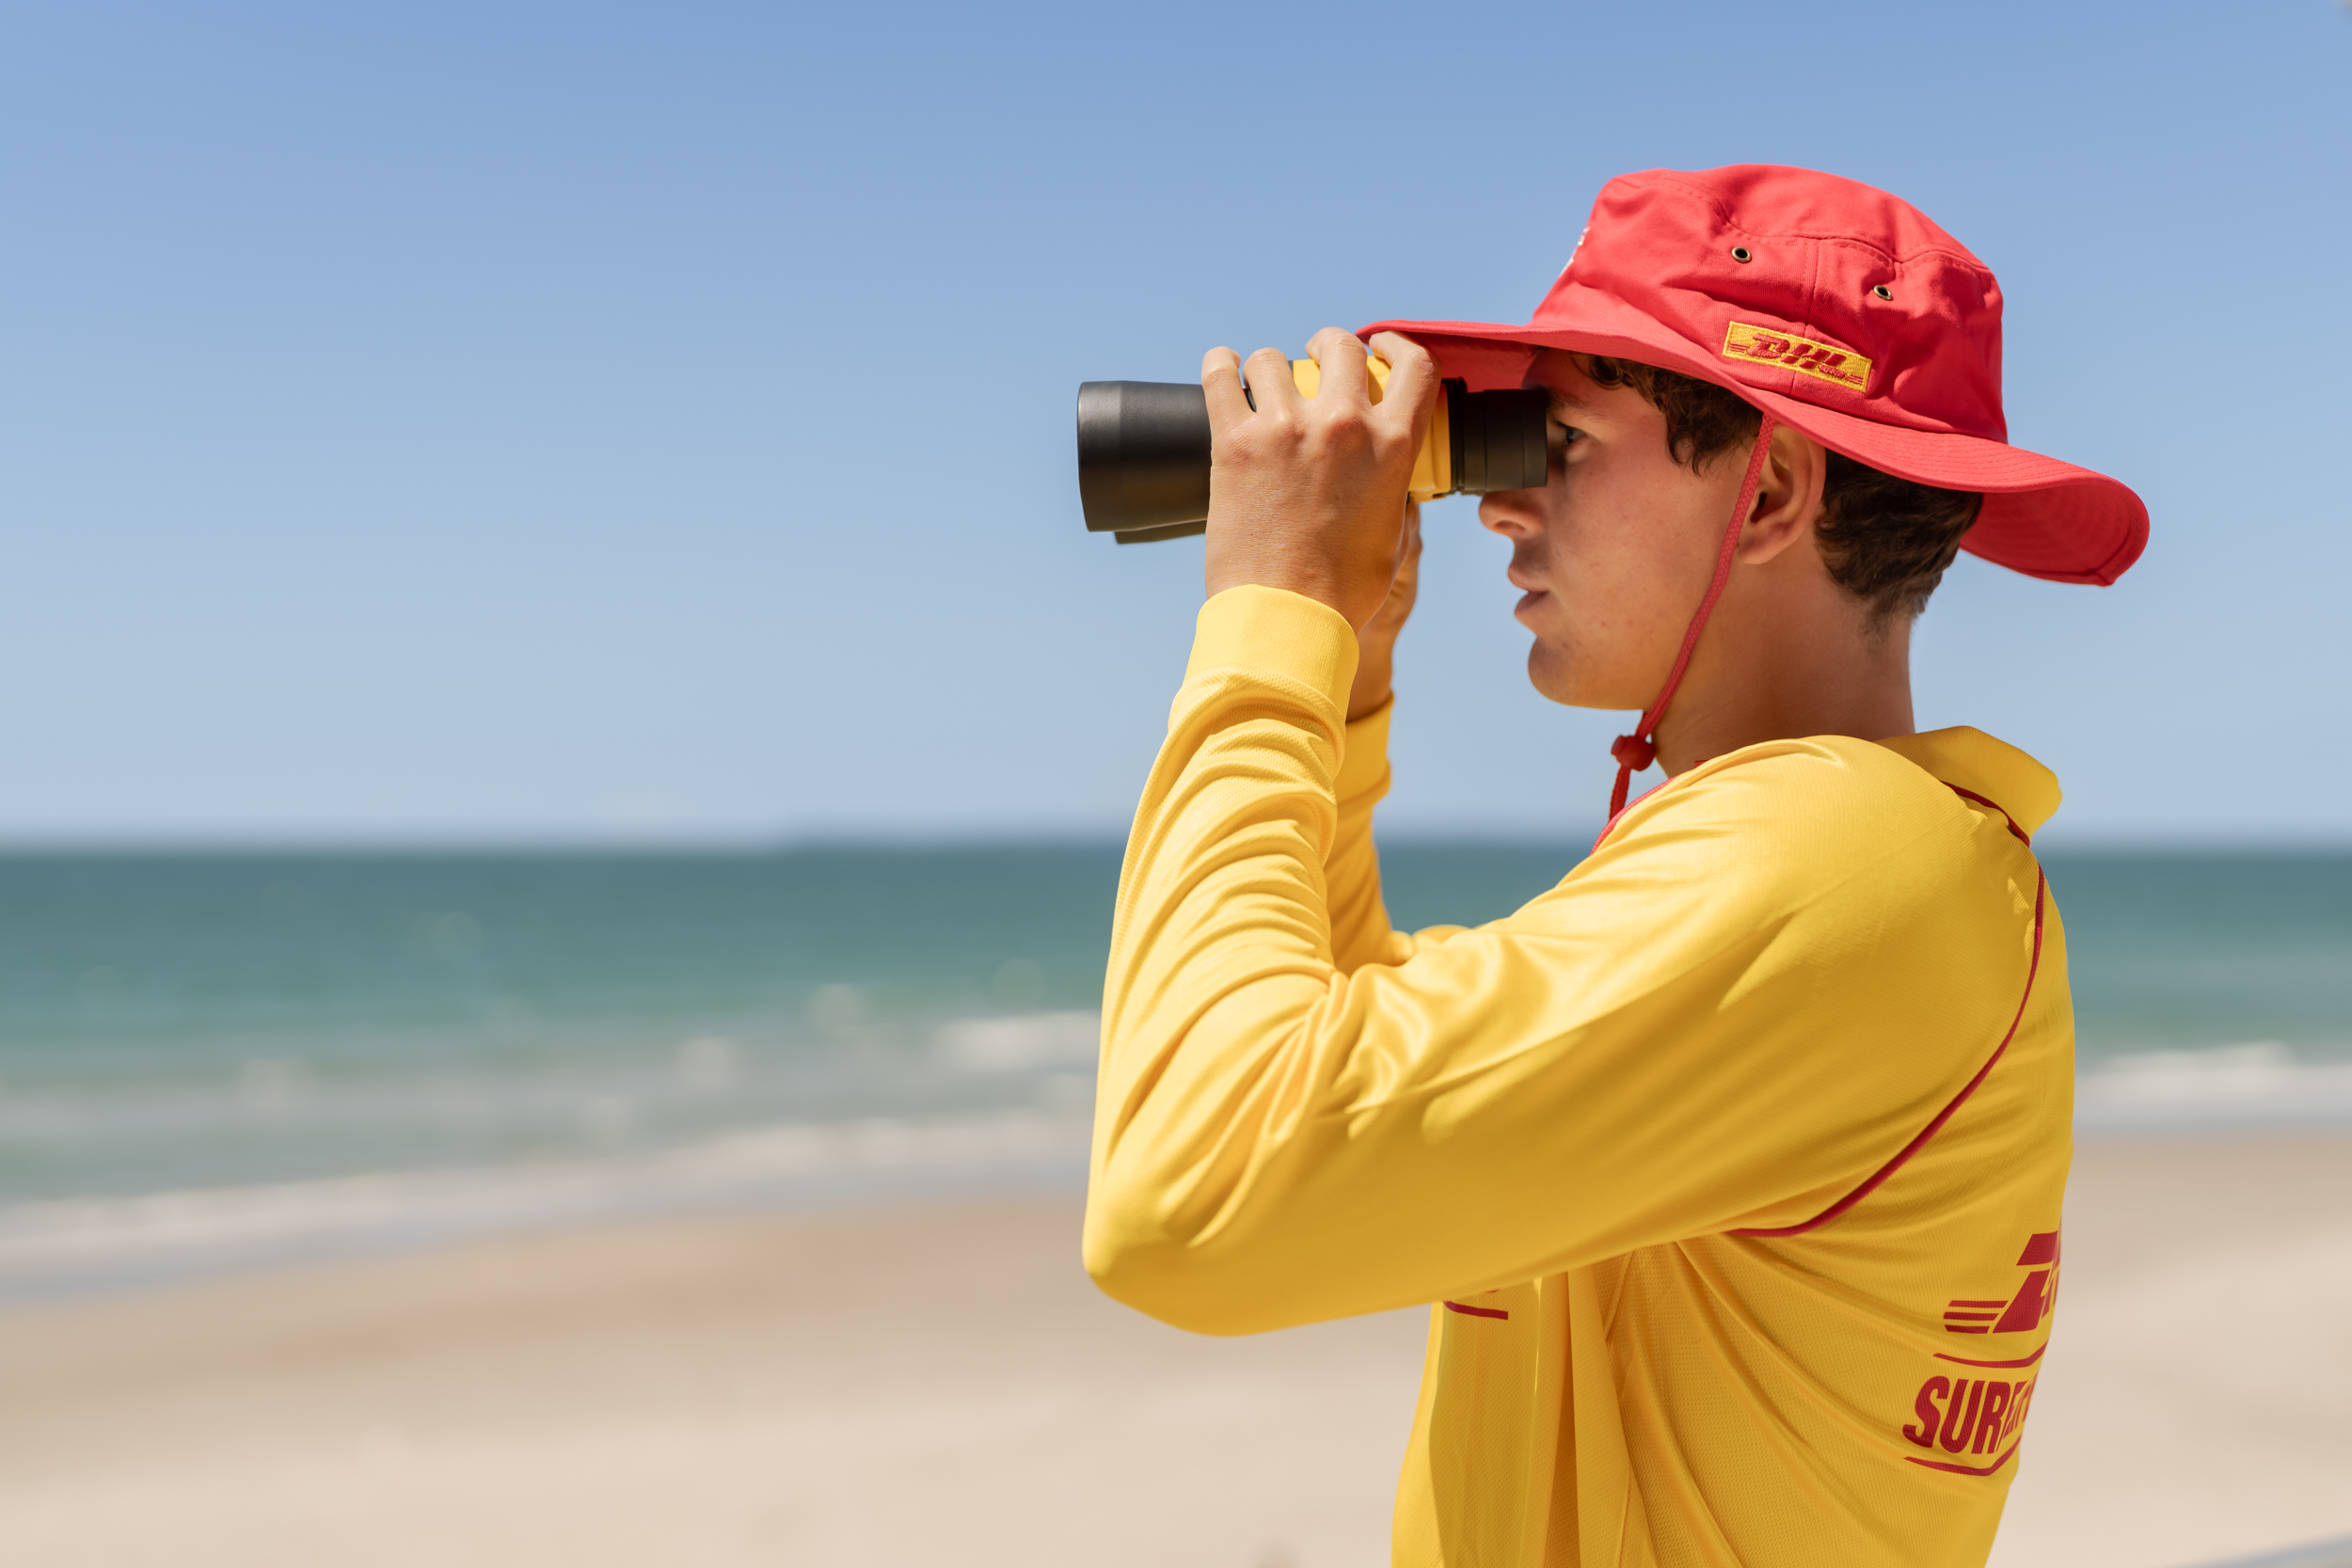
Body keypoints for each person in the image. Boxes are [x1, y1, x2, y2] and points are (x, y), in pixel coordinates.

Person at [1080, 165, 2147, 1567]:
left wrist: (1272, 617)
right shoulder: (1863, 855)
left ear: (1767, 485)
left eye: (1557, 442)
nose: (1498, 509)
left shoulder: (1837, 856)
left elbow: (1195, 1196)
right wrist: (1347, 682)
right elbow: (1344, 1053)